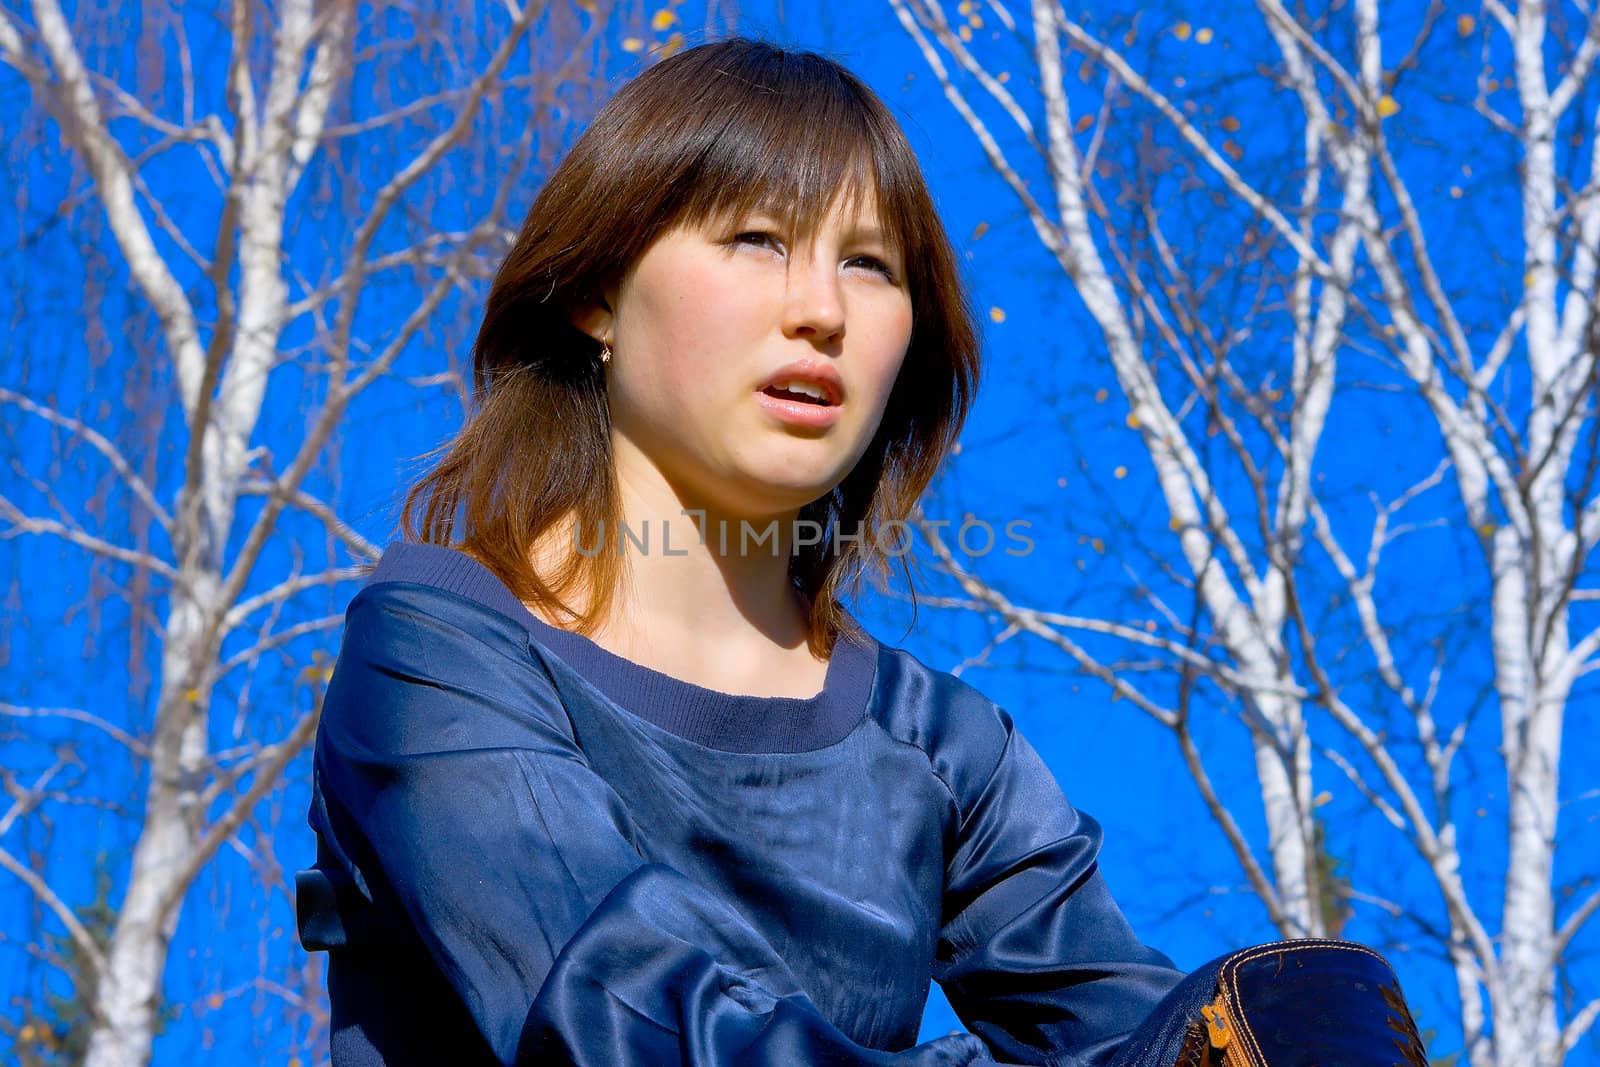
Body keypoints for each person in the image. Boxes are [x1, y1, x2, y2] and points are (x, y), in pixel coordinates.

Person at [295, 37, 1427, 1067]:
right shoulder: (437, 650)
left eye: (872, 265)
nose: (822, 310)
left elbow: (1132, 1034)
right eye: (756, 238)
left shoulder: (944, 747)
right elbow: (628, 1024)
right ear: (598, 291)